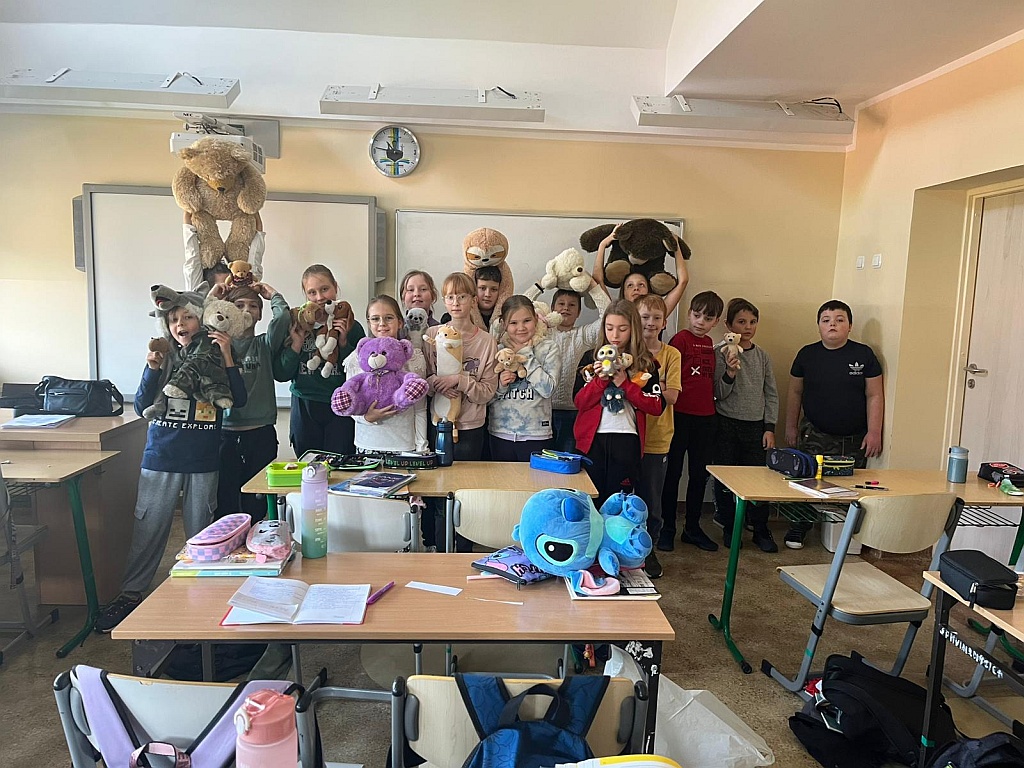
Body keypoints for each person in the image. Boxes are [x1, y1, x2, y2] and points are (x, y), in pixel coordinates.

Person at [96, 296, 247, 631]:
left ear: (202, 320)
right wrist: (151, 368)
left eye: (188, 317)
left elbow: (239, 400)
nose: (181, 325)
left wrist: (226, 355)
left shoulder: (215, 354)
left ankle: (200, 592)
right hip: (161, 457)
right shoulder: (163, 356)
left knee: (201, 532)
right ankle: (131, 593)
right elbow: (141, 407)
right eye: (174, 319)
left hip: (203, 460)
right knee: (149, 527)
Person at [783, 300, 884, 549]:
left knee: (849, 487)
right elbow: (795, 392)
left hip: (854, 436)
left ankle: (845, 534)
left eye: (840, 320)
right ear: (818, 325)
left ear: (850, 326)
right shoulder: (807, 355)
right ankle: (799, 526)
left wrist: (874, 432)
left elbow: (874, 394)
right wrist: (790, 427)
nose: (833, 325)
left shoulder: (863, 355)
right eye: (826, 320)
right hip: (815, 432)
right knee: (806, 480)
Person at [423, 272, 499, 550]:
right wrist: (438, 383)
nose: (456, 302)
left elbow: (488, 392)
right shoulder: (433, 336)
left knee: (466, 497)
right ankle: (438, 552)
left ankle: (464, 552)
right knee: (438, 492)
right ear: (444, 300)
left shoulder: (486, 342)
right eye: (450, 297)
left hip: (471, 428)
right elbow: (423, 380)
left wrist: (461, 380)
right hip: (438, 425)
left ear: (473, 300)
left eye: (462, 296)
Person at [573, 300, 664, 507]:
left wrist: (625, 384)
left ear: (634, 329)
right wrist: (600, 381)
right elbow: (579, 402)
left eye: (622, 329)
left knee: (617, 502)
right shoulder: (591, 358)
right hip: (592, 441)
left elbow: (656, 406)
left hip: (626, 441)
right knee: (589, 501)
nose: (615, 335)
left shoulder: (646, 362)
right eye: (609, 328)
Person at [215, 280, 290, 522]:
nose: (246, 310)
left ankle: (254, 541)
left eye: (253, 306)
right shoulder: (218, 343)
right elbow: (200, 317)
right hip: (225, 432)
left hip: (260, 433)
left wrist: (272, 294)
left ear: (259, 314)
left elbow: (283, 318)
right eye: (239, 305)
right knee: (225, 497)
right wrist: (216, 296)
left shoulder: (264, 344)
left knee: (257, 500)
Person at [275, 264, 365, 458]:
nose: (319, 297)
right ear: (306, 295)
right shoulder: (297, 325)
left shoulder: (352, 326)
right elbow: (281, 374)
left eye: (324, 289)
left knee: (340, 462)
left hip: (341, 405)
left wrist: (343, 343)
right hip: (304, 404)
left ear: (335, 287)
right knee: (307, 463)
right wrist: (296, 344)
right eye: (312, 292)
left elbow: (361, 376)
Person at [712, 298, 780, 552]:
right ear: (729, 325)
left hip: (755, 427)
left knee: (758, 480)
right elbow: (718, 393)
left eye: (752, 322)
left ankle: (760, 529)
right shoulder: (719, 353)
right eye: (741, 322)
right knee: (725, 480)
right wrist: (730, 373)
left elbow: (771, 393)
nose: (748, 327)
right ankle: (730, 527)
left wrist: (769, 427)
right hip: (725, 424)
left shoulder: (762, 356)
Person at [660, 290, 724, 553]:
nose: (700, 322)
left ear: (715, 322)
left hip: (706, 418)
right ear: (689, 314)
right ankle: (667, 528)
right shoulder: (680, 340)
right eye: (697, 315)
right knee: (672, 474)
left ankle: (692, 528)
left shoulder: (710, 344)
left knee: (699, 475)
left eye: (707, 318)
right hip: (679, 416)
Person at [521, 277, 611, 453]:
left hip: (573, 411)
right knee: (542, 458)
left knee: (566, 459)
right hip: (542, 409)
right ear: (552, 308)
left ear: (579, 312)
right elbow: (520, 307)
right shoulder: (543, 333)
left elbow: (607, 315)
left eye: (572, 305)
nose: (566, 308)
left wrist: (591, 285)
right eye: (561, 304)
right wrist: (541, 284)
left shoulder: (584, 335)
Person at [334, 294, 429, 453]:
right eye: (375, 319)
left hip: (404, 445)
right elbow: (349, 401)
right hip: (367, 444)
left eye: (389, 318)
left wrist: (421, 446)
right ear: (369, 323)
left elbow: (420, 409)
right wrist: (367, 418)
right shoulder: (357, 358)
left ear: (400, 322)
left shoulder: (414, 357)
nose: (382, 324)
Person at [634, 294, 681, 579]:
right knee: (623, 496)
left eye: (656, 318)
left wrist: (646, 384)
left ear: (664, 322)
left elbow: (672, 396)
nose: (650, 323)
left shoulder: (671, 354)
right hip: (628, 435)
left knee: (652, 500)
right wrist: (655, 384)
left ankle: (648, 549)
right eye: (644, 317)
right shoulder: (628, 352)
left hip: (658, 437)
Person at [488, 295, 558, 460]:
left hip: (537, 434)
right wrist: (501, 385)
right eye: (513, 323)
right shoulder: (498, 350)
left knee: (534, 478)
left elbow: (548, 389)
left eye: (527, 321)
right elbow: (486, 397)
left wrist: (527, 355)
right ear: (504, 324)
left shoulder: (549, 348)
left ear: (536, 319)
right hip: (500, 432)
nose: (521, 328)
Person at [592, 225, 690, 316]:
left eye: (641, 285)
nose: (636, 288)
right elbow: (597, 281)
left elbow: (683, 282)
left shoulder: (656, 315)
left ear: (648, 290)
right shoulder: (615, 315)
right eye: (630, 285)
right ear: (623, 292)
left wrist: (675, 246)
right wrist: (603, 244)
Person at [183, 211, 264, 290]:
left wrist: (253, 209)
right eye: (222, 287)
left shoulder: (243, 293)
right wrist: (188, 208)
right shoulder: (196, 295)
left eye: (230, 285)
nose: (228, 290)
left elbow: (255, 257)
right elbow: (193, 262)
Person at [440, 265, 502, 330]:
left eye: (494, 289)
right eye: (482, 288)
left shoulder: (504, 319)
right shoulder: (449, 318)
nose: (487, 294)